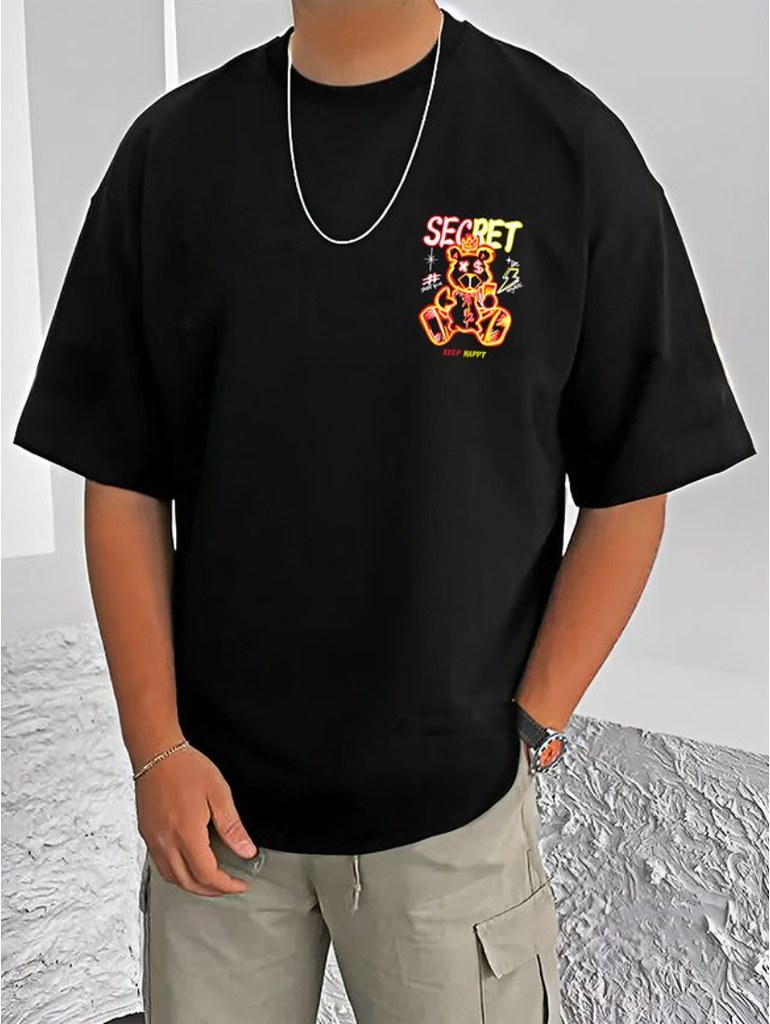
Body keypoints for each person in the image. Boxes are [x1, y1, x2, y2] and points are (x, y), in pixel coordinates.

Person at [13, 2, 756, 1021]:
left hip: (453, 824)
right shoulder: (173, 156)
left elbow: (636, 475)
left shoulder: (562, 148)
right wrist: (156, 748)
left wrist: (534, 718)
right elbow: (120, 474)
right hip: (213, 813)